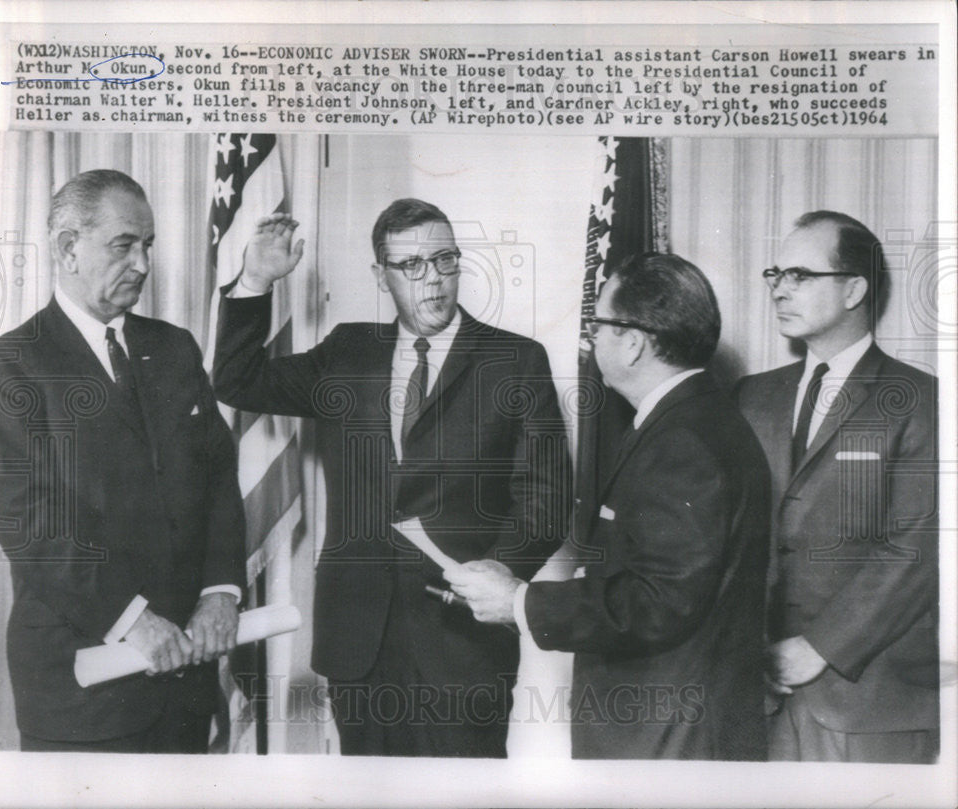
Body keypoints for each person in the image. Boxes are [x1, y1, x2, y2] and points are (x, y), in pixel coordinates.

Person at [212, 199, 569, 757]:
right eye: (412, 266)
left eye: (445, 260)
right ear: (382, 275)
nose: (434, 281)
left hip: (464, 641)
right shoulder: (348, 352)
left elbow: (546, 501)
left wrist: (501, 571)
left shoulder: (516, 361)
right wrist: (256, 279)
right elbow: (237, 380)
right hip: (358, 638)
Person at [448, 252, 771, 760]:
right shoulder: (688, 420)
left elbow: (659, 602)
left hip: (666, 733)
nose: (590, 339)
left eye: (598, 325)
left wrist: (520, 601)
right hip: (667, 722)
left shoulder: (682, 442)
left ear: (634, 342)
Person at [0, 169, 245, 753]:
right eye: (124, 245)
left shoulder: (174, 348)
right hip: (83, 688)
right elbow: (30, 526)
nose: (144, 264)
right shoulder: (12, 365)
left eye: (147, 245)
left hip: (185, 676)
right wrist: (132, 619)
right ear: (69, 248)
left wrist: (221, 592)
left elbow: (219, 479)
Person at [734, 211, 939, 763]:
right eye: (776, 274)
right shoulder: (749, 398)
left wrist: (820, 647)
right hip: (755, 694)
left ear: (854, 289)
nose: (780, 289)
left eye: (800, 275)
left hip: (867, 702)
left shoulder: (921, 399)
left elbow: (916, 550)